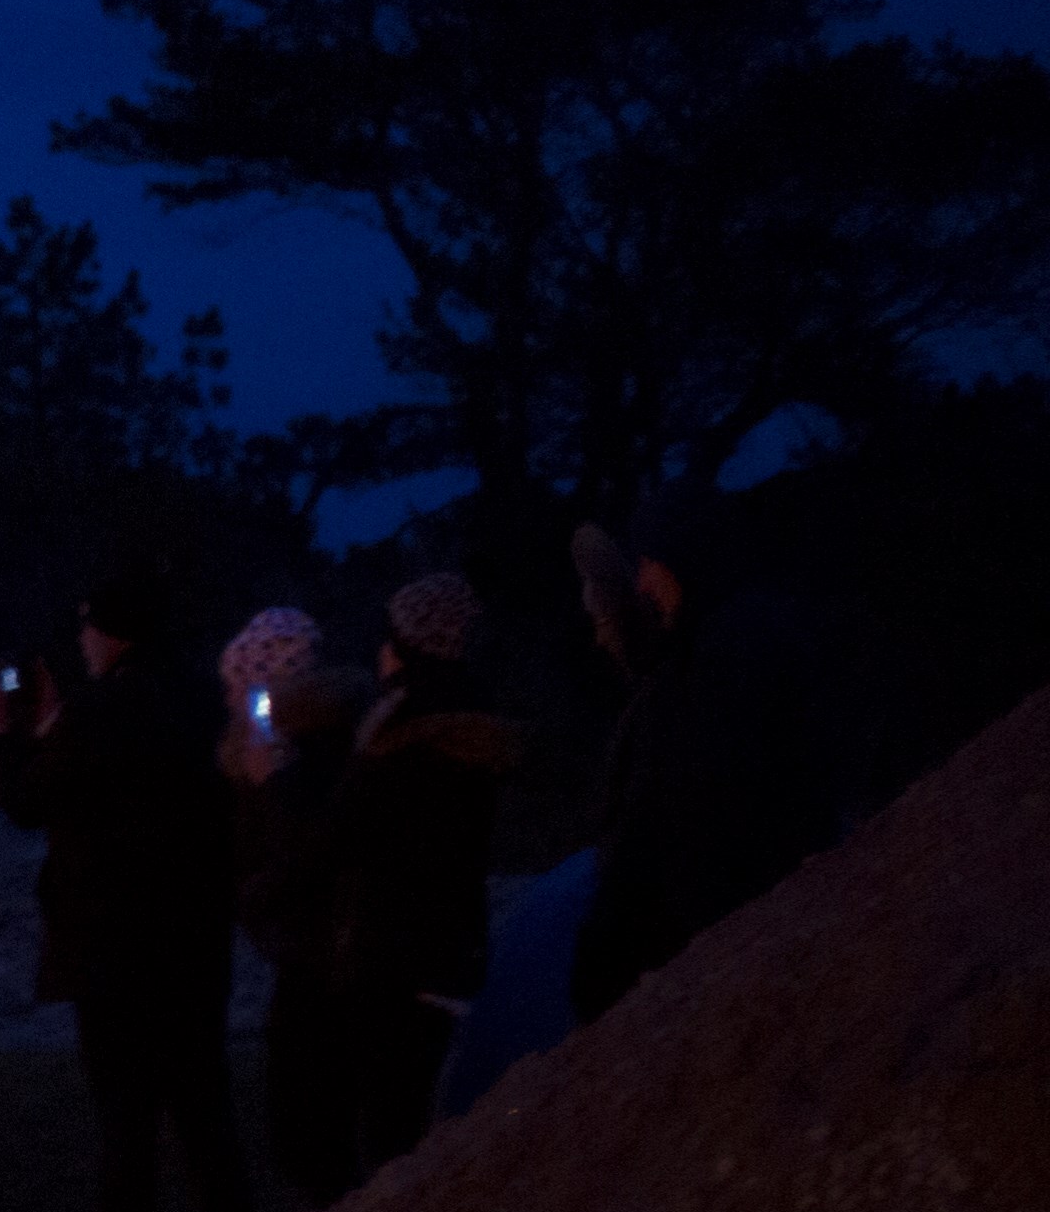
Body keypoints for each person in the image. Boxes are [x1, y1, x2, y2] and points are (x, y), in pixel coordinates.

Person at [0, 554, 255, 1212]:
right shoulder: (201, 701)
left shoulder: (108, 709)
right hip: (195, 942)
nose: (82, 641)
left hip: (116, 949)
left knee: (126, 1118)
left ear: (109, 631)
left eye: (87, 627)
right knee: (204, 1111)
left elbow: (32, 798)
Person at [568, 491, 834, 1022]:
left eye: (647, 566)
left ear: (680, 559)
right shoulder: (711, 650)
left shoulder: (723, 664)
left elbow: (704, 825)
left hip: (739, 960)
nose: (641, 584)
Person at [320, 570, 517, 1173]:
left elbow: (344, 835)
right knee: (434, 1121)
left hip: (390, 958)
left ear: (402, 644)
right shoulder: (477, 720)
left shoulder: (399, 728)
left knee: (389, 1135)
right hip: (452, 947)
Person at [214, 604, 362, 1210]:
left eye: (242, 691)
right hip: (310, 954)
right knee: (299, 1114)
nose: (233, 705)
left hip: (328, 955)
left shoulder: (318, 754)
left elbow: (306, 855)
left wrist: (266, 784)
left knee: (312, 1117)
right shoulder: (297, 749)